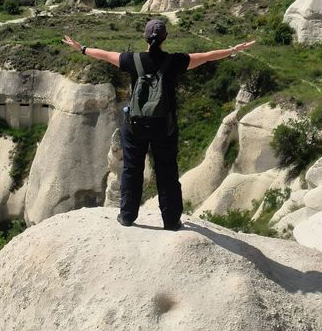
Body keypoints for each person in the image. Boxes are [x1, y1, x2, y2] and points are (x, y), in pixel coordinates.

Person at [62, 18, 255, 231]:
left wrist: (82, 48)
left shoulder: (132, 60)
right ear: (166, 38)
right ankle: (171, 221)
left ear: (144, 37)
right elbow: (207, 57)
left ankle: (127, 216)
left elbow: (106, 55)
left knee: (132, 169)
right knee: (167, 172)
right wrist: (232, 50)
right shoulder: (176, 61)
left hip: (135, 125)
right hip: (164, 125)